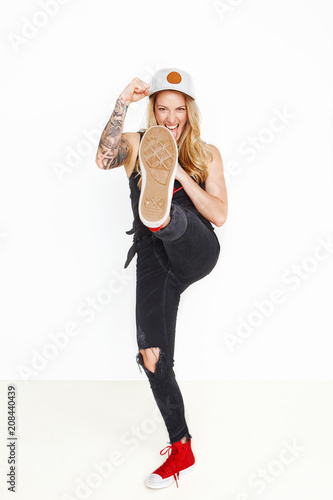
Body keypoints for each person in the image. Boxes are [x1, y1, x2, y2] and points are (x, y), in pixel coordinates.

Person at [95, 68, 228, 489]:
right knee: (152, 356)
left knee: (180, 218)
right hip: (156, 259)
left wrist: (178, 173)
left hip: (195, 248)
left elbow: (221, 215)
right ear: (153, 110)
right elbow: (103, 159)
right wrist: (121, 103)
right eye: (162, 109)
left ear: (190, 112)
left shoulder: (207, 154)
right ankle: (181, 445)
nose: (171, 117)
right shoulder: (137, 144)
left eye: (179, 110)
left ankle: (166, 212)